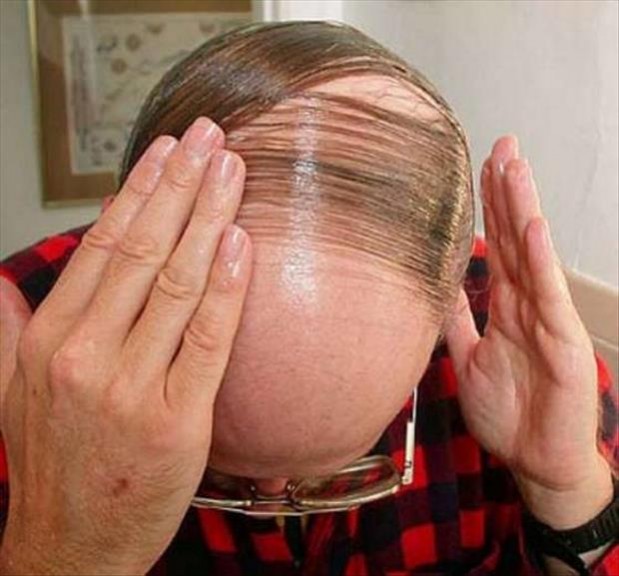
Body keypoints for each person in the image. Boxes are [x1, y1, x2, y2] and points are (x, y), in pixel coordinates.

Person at [0, 21, 616, 576]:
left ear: (447, 311)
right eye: (219, 474)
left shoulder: (508, 335)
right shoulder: (24, 349)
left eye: (337, 471)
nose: (274, 500)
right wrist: (67, 556)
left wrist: (566, 495)